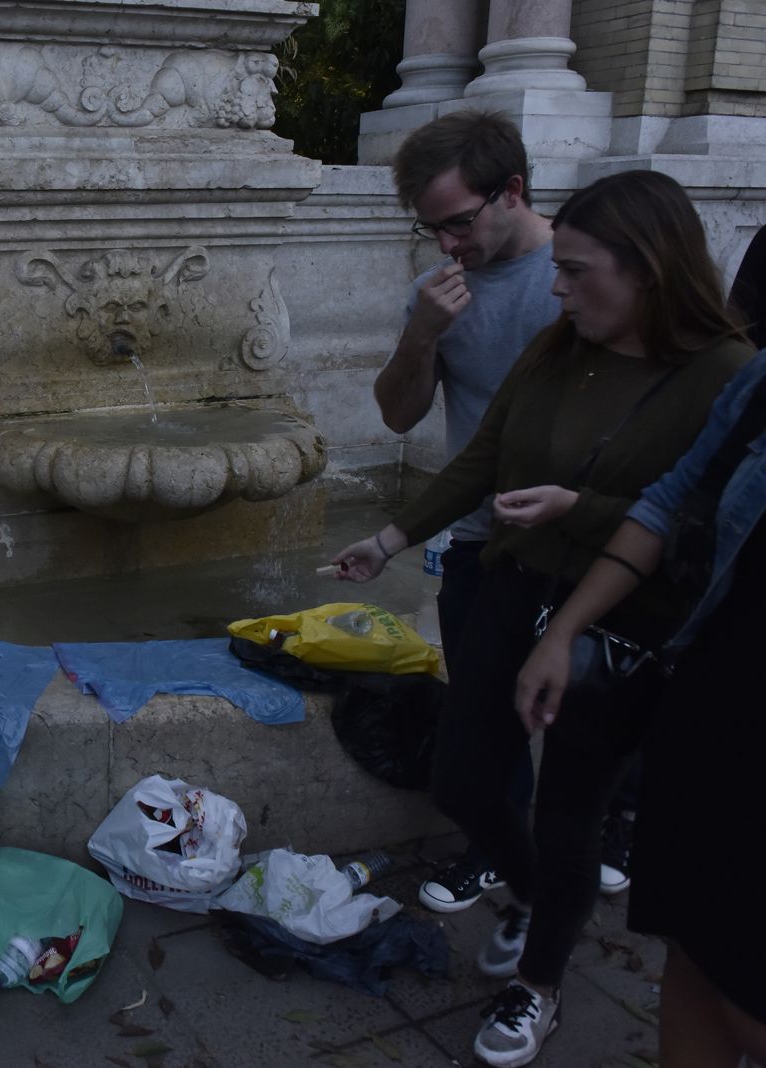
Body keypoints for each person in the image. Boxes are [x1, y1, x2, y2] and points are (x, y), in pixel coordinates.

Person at [331, 169, 754, 1067]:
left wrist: (582, 508)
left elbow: (702, 523)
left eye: (576, 270)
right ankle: (535, 899)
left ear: (646, 267)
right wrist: (392, 535)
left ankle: (542, 982)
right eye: (555, 269)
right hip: (512, 584)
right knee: (463, 780)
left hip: (620, 624)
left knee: (571, 813)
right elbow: (484, 456)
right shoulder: (562, 341)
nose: (556, 290)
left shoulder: (725, 371)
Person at [515, 351, 766, 1067]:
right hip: (722, 695)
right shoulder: (759, 381)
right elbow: (670, 502)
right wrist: (561, 633)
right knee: (694, 950)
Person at [375, 111, 564, 915]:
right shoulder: (436, 293)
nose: (448, 245)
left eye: (457, 222)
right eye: (432, 230)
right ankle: (506, 855)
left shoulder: (579, 271)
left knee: (575, 709)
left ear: (511, 192)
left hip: (579, 542)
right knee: (482, 715)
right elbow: (397, 417)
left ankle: (581, 854)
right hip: (481, 535)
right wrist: (422, 337)